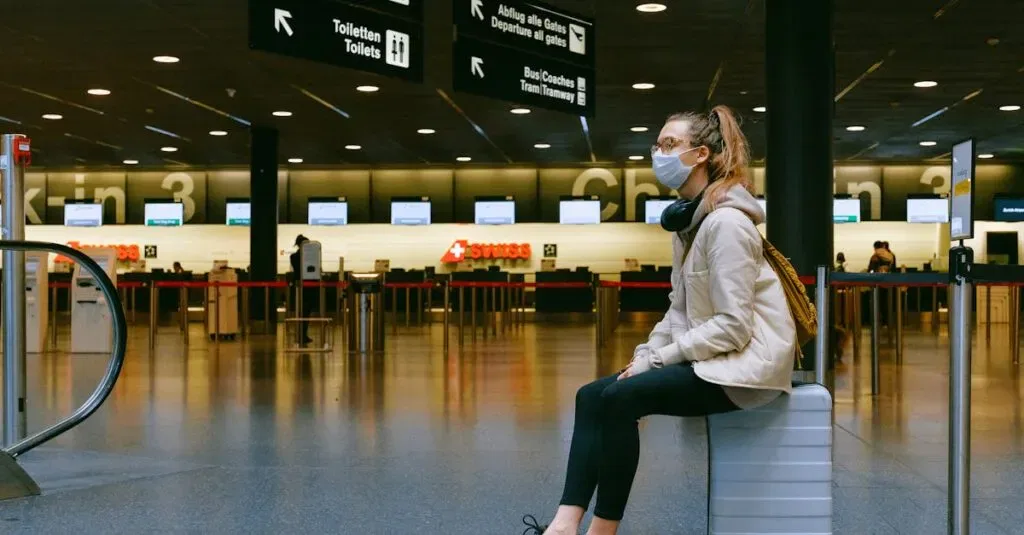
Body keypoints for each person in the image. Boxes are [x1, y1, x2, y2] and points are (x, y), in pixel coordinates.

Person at [523, 106, 797, 535]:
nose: (658, 153)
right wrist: (646, 354)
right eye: (657, 145)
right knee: (590, 395)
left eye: (670, 145)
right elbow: (679, 309)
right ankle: (563, 524)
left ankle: (602, 530)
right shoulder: (689, 225)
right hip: (713, 359)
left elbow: (733, 326)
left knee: (619, 400)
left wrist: (658, 362)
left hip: (744, 369)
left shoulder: (726, 225)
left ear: (701, 154)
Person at [290, 234, 316, 345]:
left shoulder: (307, 256)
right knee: (302, 311)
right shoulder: (295, 257)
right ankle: (301, 334)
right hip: (301, 287)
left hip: (308, 287)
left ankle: (303, 334)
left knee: (306, 312)